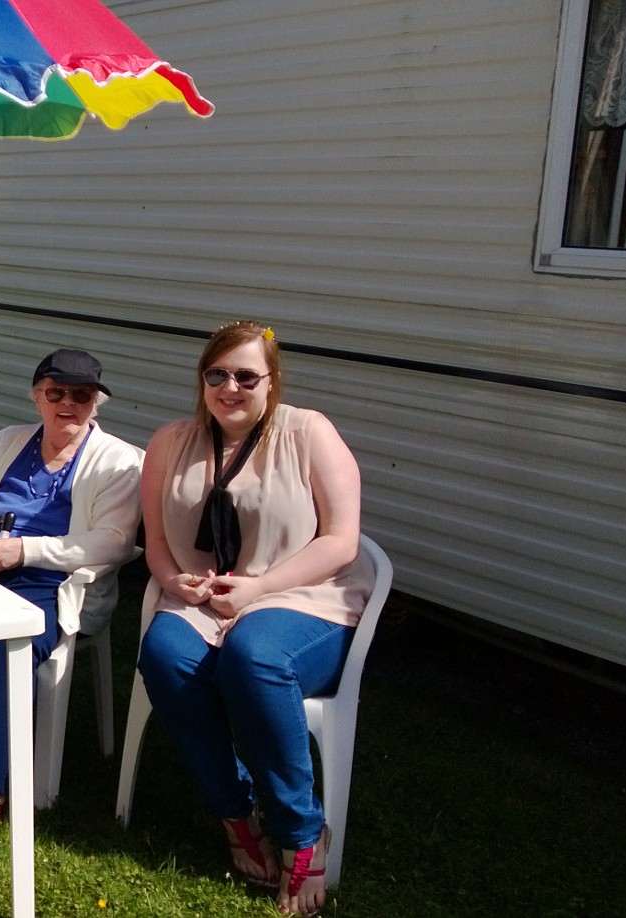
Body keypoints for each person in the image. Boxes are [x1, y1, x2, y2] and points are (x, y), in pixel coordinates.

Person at [137, 320, 368, 916]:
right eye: (217, 375)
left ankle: (300, 832)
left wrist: (259, 588)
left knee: (255, 657)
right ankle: (236, 812)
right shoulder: (170, 441)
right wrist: (173, 581)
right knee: (164, 657)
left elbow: (341, 541)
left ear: (271, 380)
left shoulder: (308, 432)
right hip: (203, 598)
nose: (230, 388)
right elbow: (156, 543)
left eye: (245, 376)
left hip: (301, 596)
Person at [0, 348, 142, 849]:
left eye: (81, 395)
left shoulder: (120, 461)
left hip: (53, 582)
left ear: (96, 403)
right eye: (56, 393)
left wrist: (26, 551)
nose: (68, 404)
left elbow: (115, 541)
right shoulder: (6, 442)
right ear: (37, 396)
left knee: (3, 642)